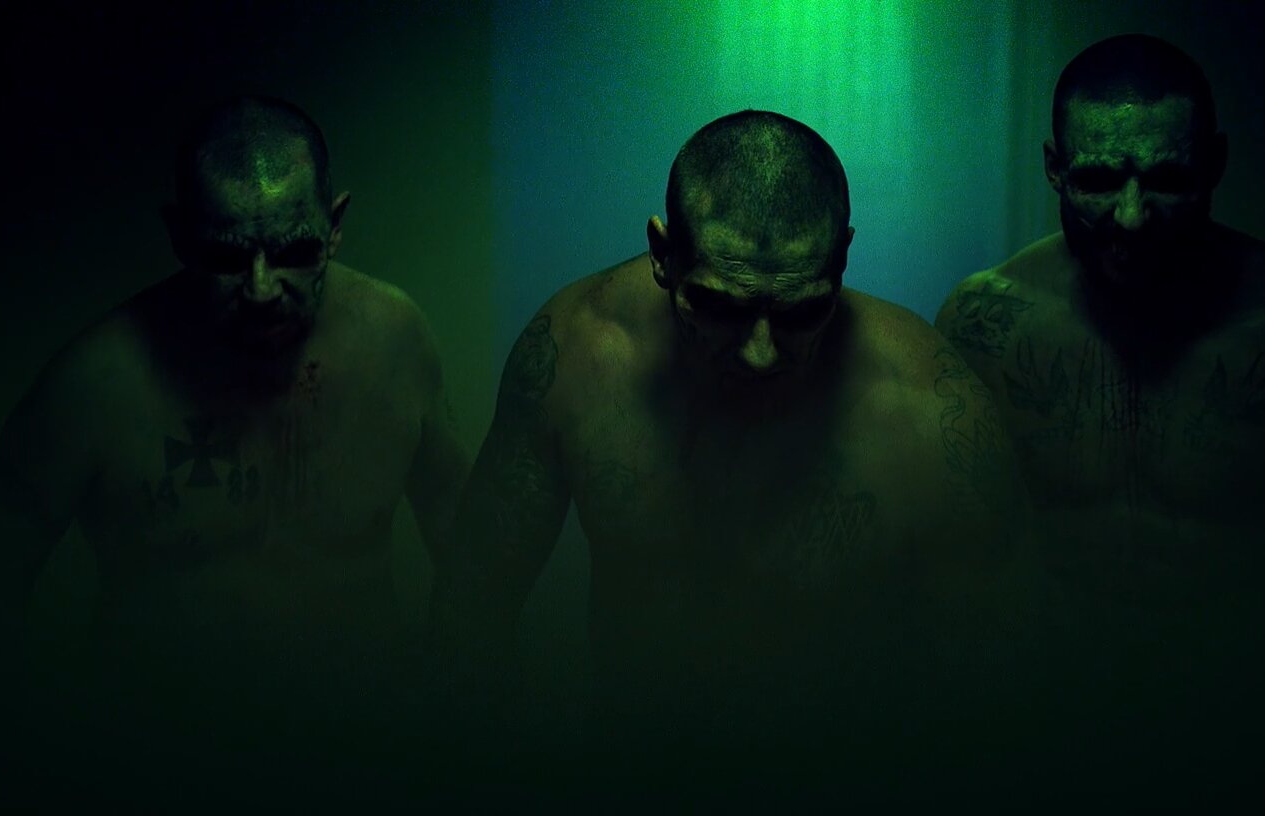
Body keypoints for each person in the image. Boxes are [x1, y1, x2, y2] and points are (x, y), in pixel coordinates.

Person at [935, 33, 1265, 805]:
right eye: (1096, 180)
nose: (1131, 217)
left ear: (1215, 164)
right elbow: (937, 570)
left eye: (1167, 179)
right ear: (1054, 167)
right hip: (1042, 752)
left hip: (1236, 753)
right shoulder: (986, 327)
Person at [432, 110, 1031, 799]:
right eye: (720, 306)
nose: (760, 353)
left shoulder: (934, 414)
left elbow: (996, 711)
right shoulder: (575, 355)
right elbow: (471, 611)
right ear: (662, 254)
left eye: (801, 311)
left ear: (842, 258)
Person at [0, 96, 469, 802]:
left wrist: (465, 734)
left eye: (293, 250)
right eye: (227, 257)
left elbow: (471, 552)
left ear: (335, 225)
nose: (261, 288)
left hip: (369, 763)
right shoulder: (96, 385)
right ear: (180, 236)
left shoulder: (394, 339)